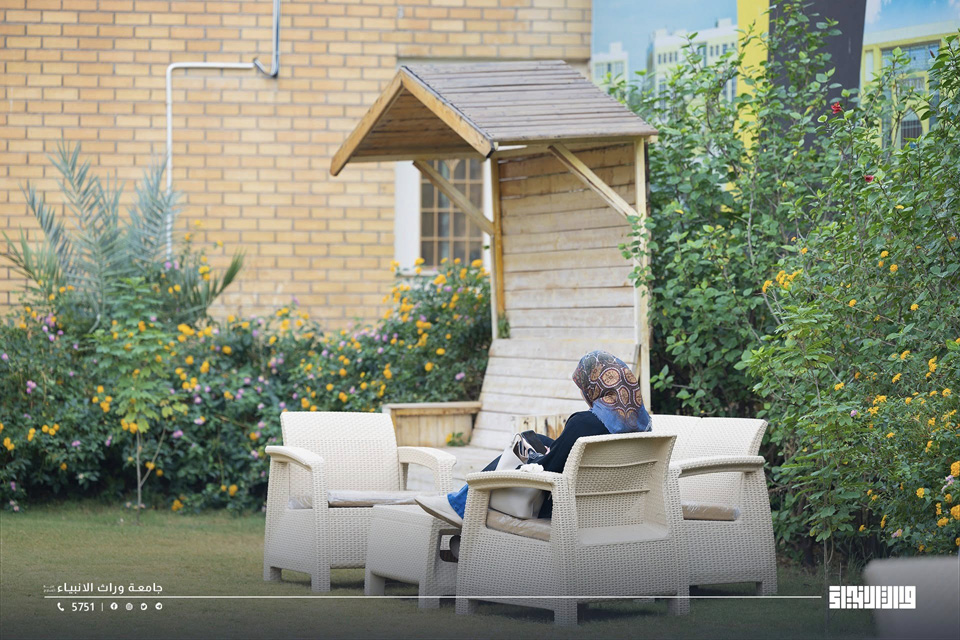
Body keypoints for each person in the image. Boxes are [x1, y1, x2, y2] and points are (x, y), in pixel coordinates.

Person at [416, 350, 651, 530]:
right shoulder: (645, 428)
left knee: (520, 450)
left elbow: (548, 471)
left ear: (595, 388)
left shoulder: (583, 424)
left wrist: (538, 458)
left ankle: (461, 505)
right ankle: (461, 506)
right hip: (613, 510)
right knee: (536, 439)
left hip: (564, 509)